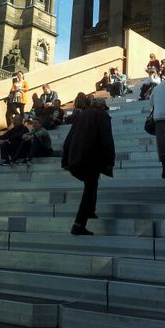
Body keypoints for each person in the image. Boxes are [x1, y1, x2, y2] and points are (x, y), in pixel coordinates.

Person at [62, 97, 115, 235]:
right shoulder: (102, 115)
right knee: (90, 187)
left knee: (91, 183)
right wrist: (110, 161)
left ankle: (90, 210)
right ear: (102, 107)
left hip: (76, 157)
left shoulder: (81, 115)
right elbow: (107, 139)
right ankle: (78, 224)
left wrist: (65, 160)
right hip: (91, 158)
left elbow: (69, 138)